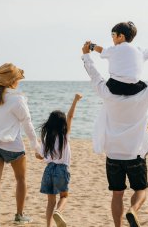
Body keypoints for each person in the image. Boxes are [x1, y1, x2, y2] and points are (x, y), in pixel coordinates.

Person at [81, 41, 148, 227]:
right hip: (135, 153)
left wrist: (87, 56)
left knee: (117, 194)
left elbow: (94, 75)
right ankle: (133, 210)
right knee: (141, 191)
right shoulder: (146, 95)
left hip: (113, 154)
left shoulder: (107, 94)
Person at [0, 53, 41, 227]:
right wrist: (36, 146)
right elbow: (28, 125)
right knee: (21, 180)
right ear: (13, 81)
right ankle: (19, 216)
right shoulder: (17, 100)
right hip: (13, 147)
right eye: (17, 78)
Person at [90, 21, 148, 132]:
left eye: (113, 35)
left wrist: (92, 46)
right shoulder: (140, 50)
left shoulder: (113, 50)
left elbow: (101, 50)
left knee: (108, 94)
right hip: (134, 88)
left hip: (114, 86)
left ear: (121, 36)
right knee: (145, 98)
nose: (112, 38)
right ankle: (146, 121)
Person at [36, 93, 82, 227]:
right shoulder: (64, 135)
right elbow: (70, 116)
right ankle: (59, 211)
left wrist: (37, 155)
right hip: (61, 169)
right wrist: (75, 100)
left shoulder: (47, 139)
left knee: (50, 201)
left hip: (49, 170)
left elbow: (41, 156)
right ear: (63, 124)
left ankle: (48, 225)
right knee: (64, 197)